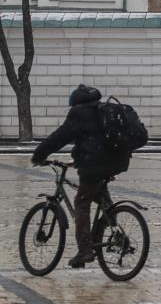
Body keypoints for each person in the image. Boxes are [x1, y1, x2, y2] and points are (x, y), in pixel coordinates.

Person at [31, 84, 132, 267]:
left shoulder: (80, 113)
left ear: (77, 102)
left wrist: (39, 155)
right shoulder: (104, 111)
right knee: (100, 197)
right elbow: (96, 139)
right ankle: (117, 233)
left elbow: (60, 136)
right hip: (116, 162)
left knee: (81, 202)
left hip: (95, 165)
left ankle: (85, 250)